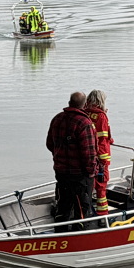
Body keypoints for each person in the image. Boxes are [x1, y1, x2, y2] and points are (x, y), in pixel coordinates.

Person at [46, 92, 98, 225]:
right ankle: (80, 236)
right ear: (84, 104)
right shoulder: (84, 123)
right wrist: (92, 171)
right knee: (82, 209)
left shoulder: (57, 119)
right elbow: (88, 154)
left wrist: (60, 157)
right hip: (80, 176)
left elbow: (49, 144)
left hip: (61, 173)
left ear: (69, 102)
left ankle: (60, 232)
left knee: (63, 205)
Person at [85, 90, 112, 216]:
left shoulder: (84, 113)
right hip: (100, 158)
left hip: (87, 156)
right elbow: (102, 139)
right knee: (101, 187)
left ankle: (86, 211)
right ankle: (102, 216)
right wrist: (103, 161)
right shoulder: (101, 116)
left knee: (88, 186)